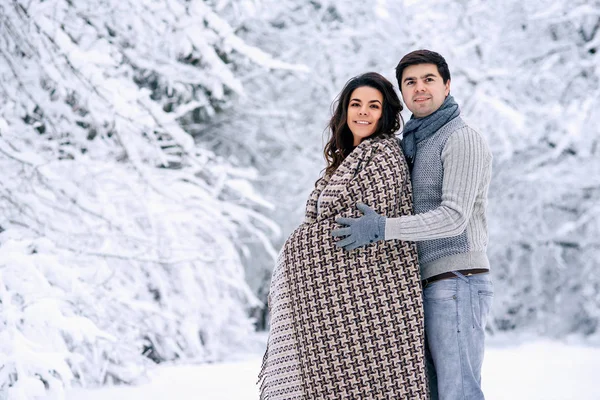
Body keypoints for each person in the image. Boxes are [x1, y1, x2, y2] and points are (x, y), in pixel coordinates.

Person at [332, 50, 494, 400]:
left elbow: (454, 217)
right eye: (410, 82)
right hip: (424, 285)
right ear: (403, 95)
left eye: (429, 80)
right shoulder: (415, 143)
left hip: (457, 280)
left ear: (447, 85)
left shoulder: (460, 138)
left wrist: (382, 228)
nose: (420, 89)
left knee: (459, 391)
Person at [258, 72, 428, 399]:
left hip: (373, 298)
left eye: (373, 106)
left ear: (386, 114)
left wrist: (303, 245)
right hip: (333, 306)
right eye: (356, 104)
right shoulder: (341, 163)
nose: (363, 112)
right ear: (345, 110)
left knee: (370, 384)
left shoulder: (384, 155)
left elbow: (359, 223)